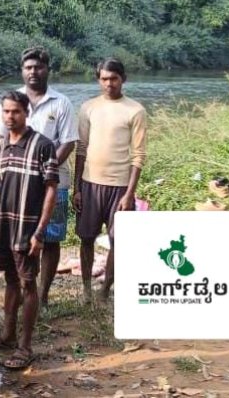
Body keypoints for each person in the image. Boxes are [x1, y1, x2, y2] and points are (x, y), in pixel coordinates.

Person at [0, 47, 79, 308]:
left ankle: (44, 294)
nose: (33, 72)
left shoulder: (61, 103)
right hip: (17, 184)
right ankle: (22, 289)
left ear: (47, 70)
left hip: (54, 183)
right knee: (19, 237)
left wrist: (44, 172)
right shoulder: (12, 100)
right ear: (22, 71)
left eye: (38, 67)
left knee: (50, 237)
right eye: (28, 67)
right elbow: (0, 137)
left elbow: (68, 142)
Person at [0, 91, 58, 370]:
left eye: (16, 111)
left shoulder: (43, 145)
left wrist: (40, 232)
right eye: (6, 111)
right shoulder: (0, 146)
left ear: (27, 113)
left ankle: (25, 347)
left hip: (28, 227)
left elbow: (51, 190)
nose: (10, 116)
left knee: (28, 283)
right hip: (5, 226)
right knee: (10, 279)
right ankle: (7, 335)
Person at [74, 58, 147, 303]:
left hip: (120, 187)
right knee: (86, 238)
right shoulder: (88, 108)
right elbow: (81, 148)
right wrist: (77, 188)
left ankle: (105, 290)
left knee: (119, 240)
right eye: (104, 79)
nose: (109, 84)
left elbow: (138, 156)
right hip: (90, 184)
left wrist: (129, 194)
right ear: (98, 80)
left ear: (123, 79)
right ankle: (86, 289)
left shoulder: (135, 110)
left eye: (114, 78)